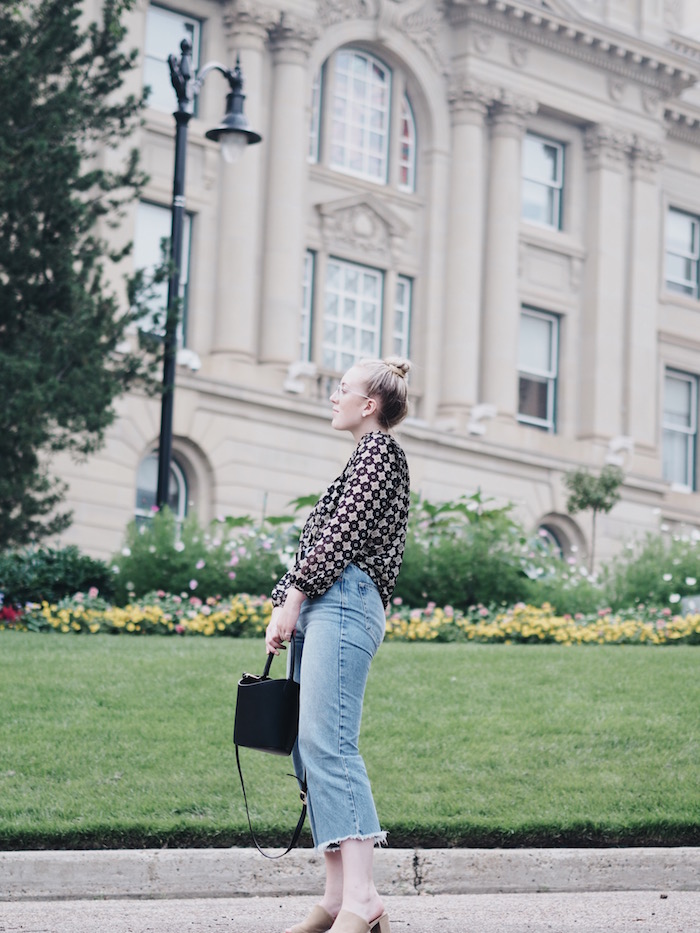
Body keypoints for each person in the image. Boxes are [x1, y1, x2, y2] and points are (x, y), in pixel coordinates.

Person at [265, 357, 412, 933]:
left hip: (345, 603)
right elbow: (321, 540)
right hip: (327, 603)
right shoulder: (362, 458)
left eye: (343, 389)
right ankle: (335, 898)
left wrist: (295, 595)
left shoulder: (380, 453)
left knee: (329, 744)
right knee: (308, 749)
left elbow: (341, 536)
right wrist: (287, 603)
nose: (334, 396)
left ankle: (363, 899)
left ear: (369, 405)